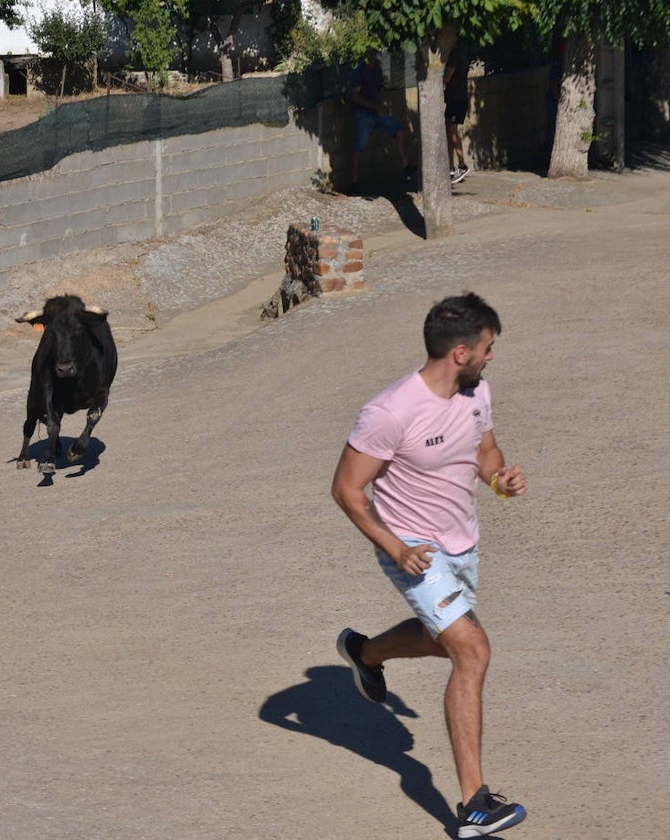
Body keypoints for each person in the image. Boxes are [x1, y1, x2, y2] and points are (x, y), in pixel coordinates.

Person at [330, 293, 527, 839]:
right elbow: (346, 490)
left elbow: (484, 452)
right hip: (413, 549)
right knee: (473, 649)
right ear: (461, 351)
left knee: (445, 640)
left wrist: (498, 481)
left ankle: (364, 653)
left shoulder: (476, 391)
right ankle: (474, 805)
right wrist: (396, 548)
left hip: (464, 543)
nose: (493, 357)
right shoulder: (390, 412)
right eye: (488, 348)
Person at [348, 48, 415, 192]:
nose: (375, 58)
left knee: (399, 131)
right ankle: (354, 181)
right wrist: (374, 106)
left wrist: (381, 103)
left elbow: (379, 89)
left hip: (376, 112)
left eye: (376, 55)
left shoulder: (377, 70)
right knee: (359, 147)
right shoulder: (359, 72)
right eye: (372, 55)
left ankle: (406, 166)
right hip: (363, 114)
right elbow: (355, 96)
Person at [445, 43, 471, 184]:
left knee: (452, 132)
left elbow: (447, 76)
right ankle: (450, 167)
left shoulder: (455, 54)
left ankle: (462, 165)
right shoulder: (458, 52)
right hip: (454, 98)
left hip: (457, 99)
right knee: (449, 132)